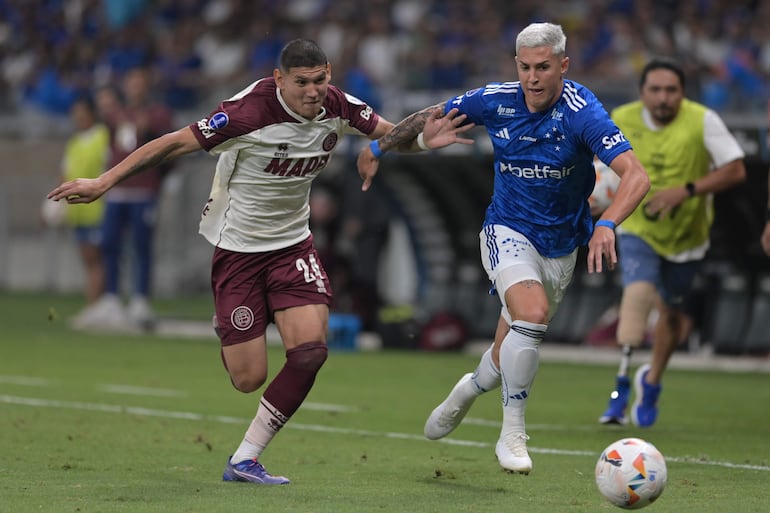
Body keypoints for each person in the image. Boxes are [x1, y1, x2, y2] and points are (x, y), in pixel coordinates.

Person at [48, 39, 472, 485]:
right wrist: (104, 181)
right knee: (249, 378)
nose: (313, 92)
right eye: (302, 83)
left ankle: (245, 458)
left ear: (329, 73)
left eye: (320, 80)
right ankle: (231, 325)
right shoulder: (246, 113)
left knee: (310, 353)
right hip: (239, 252)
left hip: (293, 246)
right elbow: (174, 144)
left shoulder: (339, 106)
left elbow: (389, 135)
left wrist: (423, 142)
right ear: (279, 80)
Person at [357, 22, 650, 474]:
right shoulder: (495, 99)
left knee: (505, 353)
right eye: (526, 67)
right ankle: (512, 431)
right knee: (531, 318)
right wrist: (379, 146)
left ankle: (469, 390)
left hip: (561, 246)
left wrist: (608, 222)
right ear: (517, 65)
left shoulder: (583, 112)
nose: (533, 78)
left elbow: (636, 176)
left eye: (544, 68)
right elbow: (429, 115)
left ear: (563, 66)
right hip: (506, 231)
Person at [598, 58, 746, 427]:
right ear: (642, 93)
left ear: (682, 93)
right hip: (638, 228)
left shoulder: (703, 120)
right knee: (638, 294)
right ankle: (619, 394)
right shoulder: (622, 118)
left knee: (672, 315)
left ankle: (652, 382)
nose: (664, 98)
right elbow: (600, 168)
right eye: (656, 90)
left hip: (687, 238)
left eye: (671, 91)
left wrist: (687, 190)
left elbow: (736, 169)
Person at [89, 67, 175, 331]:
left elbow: (170, 147)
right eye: (131, 83)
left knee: (141, 245)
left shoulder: (158, 114)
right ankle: (112, 298)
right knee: (110, 243)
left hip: (144, 190)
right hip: (117, 190)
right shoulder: (116, 115)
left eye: (140, 83)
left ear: (147, 86)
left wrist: (163, 180)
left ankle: (140, 299)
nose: (135, 88)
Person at [54, 96, 110, 329]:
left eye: (82, 111)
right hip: (78, 212)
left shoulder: (102, 137)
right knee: (88, 261)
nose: (78, 117)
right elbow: (65, 172)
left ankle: (97, 306)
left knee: (98, 260)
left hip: (99, 208)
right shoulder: (74, 142)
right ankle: (95, 306)